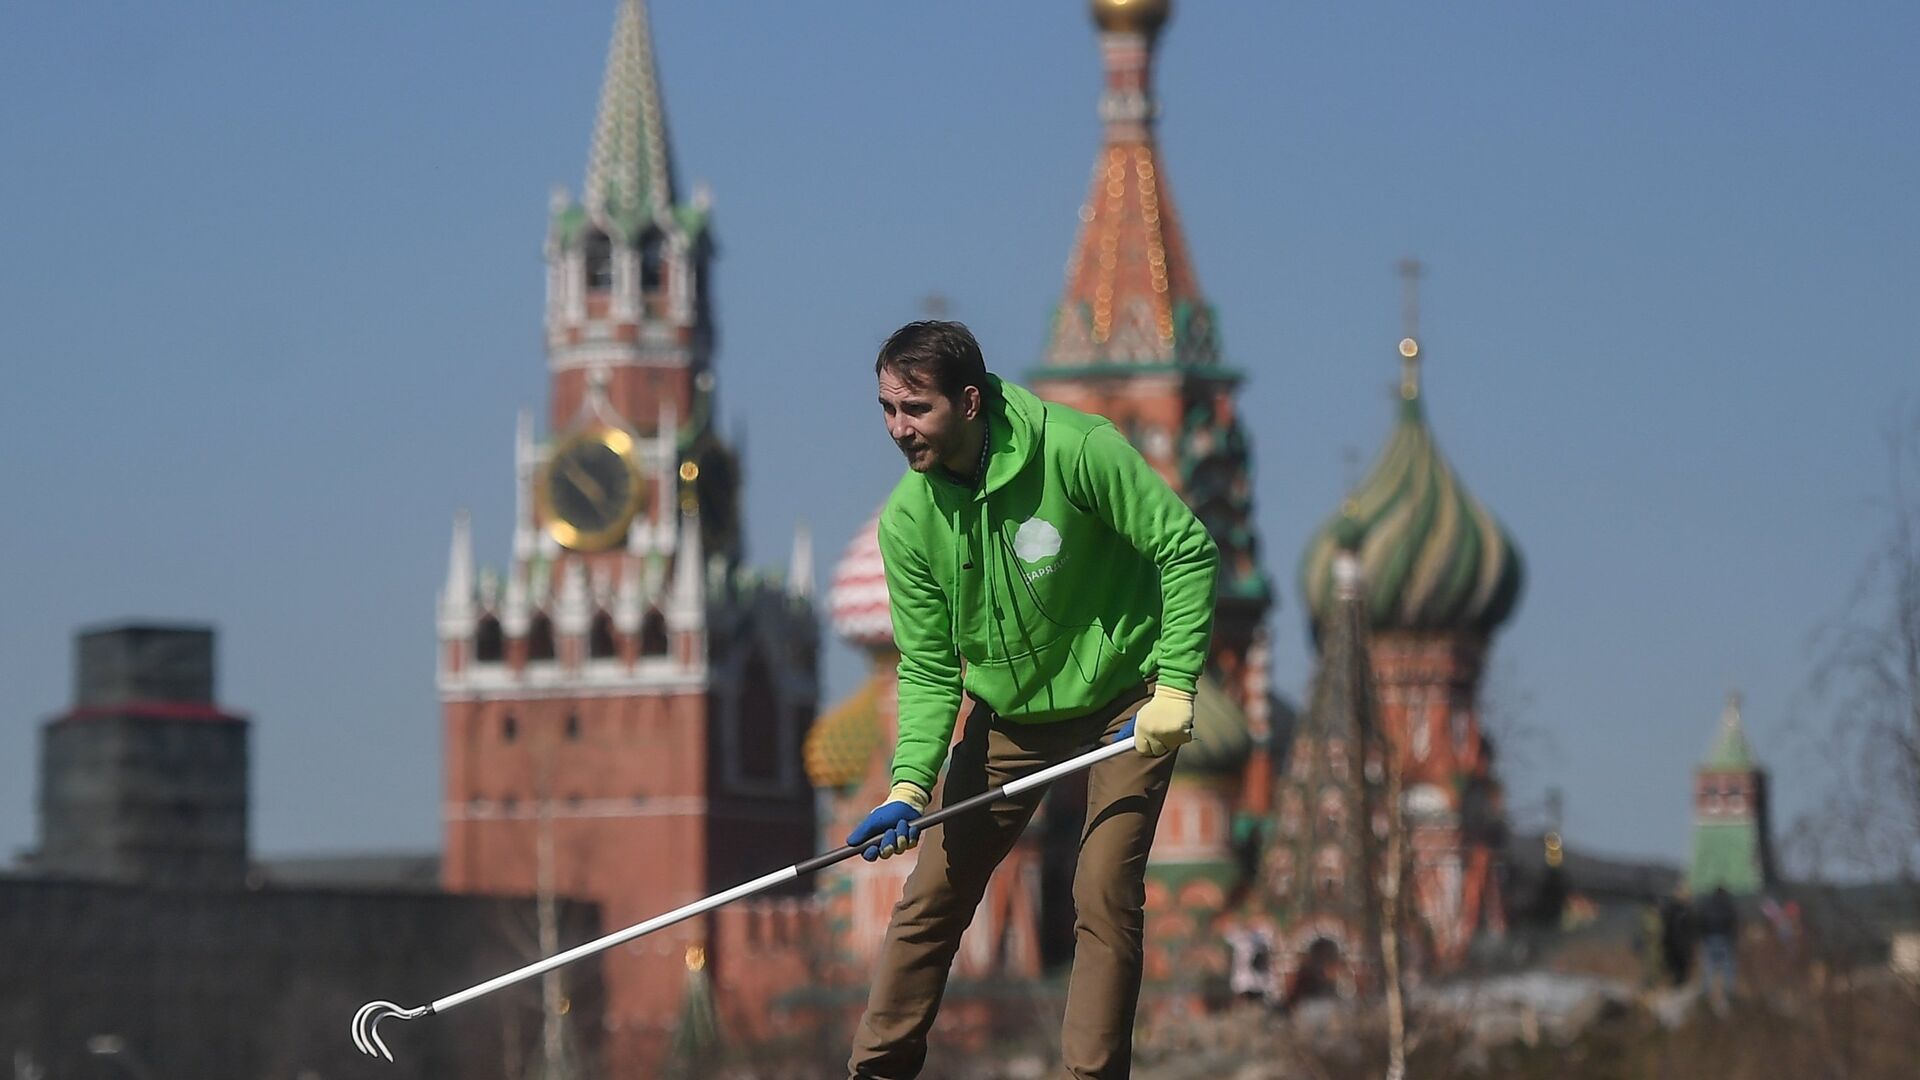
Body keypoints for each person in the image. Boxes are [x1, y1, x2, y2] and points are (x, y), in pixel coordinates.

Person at [845, 321, 1219, 1079]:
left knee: (1103, 888)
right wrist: (909, 786)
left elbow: (1187, 549)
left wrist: (1174, 685)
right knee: (932, 897)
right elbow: (925, 667)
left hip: (1125, 698)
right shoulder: (909, 522)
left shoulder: (1078, 450)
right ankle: (876, 1071)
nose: (897, 428)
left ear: (970, 401)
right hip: (1011, 715)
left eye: (914, 408)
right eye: (886, 409)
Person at [1696, 886, 1740, 1009]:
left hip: (1709, 939)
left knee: (1708, 967)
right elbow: (1733, 922)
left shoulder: (1707, 904)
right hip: (1725, 940)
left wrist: (1703, 937)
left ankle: (1706, 993)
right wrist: (1733, 940)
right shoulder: (1728, 904)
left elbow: (1701, 920)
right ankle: (1729, 993)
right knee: (1727, 968)